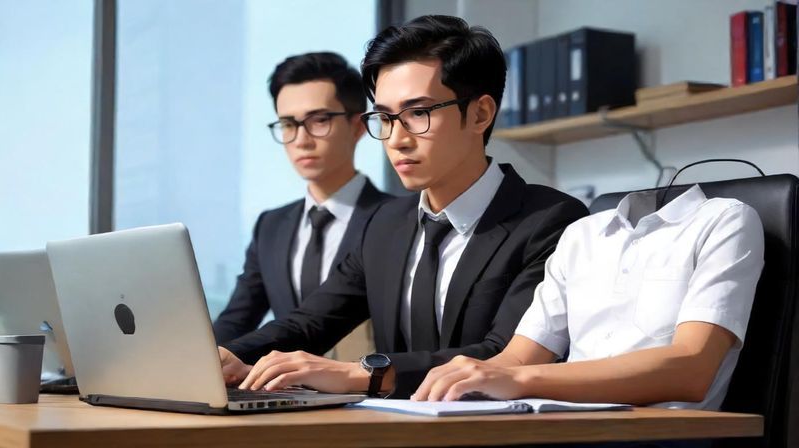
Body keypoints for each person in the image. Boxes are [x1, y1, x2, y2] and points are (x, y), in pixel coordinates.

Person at [218, 15, 588, 399]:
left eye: (418, 113)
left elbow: (501, 357)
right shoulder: (386, 224)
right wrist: (226, 354)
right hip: (393, 430)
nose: (396, 139)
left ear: (480, 114)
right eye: (385, 117)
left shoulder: (552, 221)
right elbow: (310, 322)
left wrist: (358, 374)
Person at [413, 185, 764, 418]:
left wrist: (519, 380)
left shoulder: (724, 219)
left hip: (660, 433)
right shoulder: (582, 233)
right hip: (563, 425)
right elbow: (519, 356)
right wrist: (467, 381)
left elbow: (692, 367)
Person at [213, 52, 391, 360]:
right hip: (287, 394)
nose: (301, 139)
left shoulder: (397, 221)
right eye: (288, 124)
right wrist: (197, 363)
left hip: (373, 396)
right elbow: (237, 320)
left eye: (319, 120)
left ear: (358, 126)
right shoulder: (271, 226)